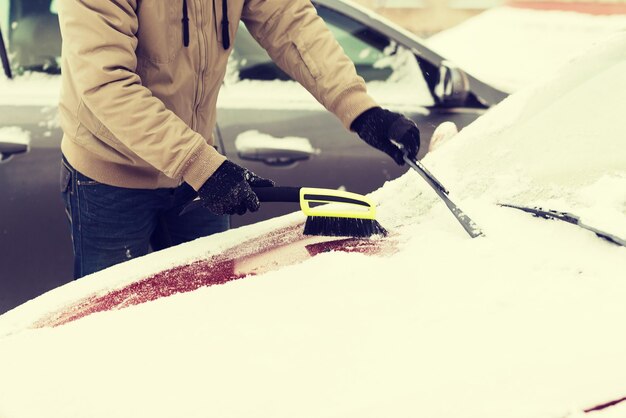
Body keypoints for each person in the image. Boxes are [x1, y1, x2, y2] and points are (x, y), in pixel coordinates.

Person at [57, 0, 420, 279]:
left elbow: (288, 21)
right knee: (108, 328)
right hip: (110, 177)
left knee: (211, 312)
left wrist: (360, 109)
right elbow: (106, 82)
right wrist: (200, 165)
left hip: (197, 169)